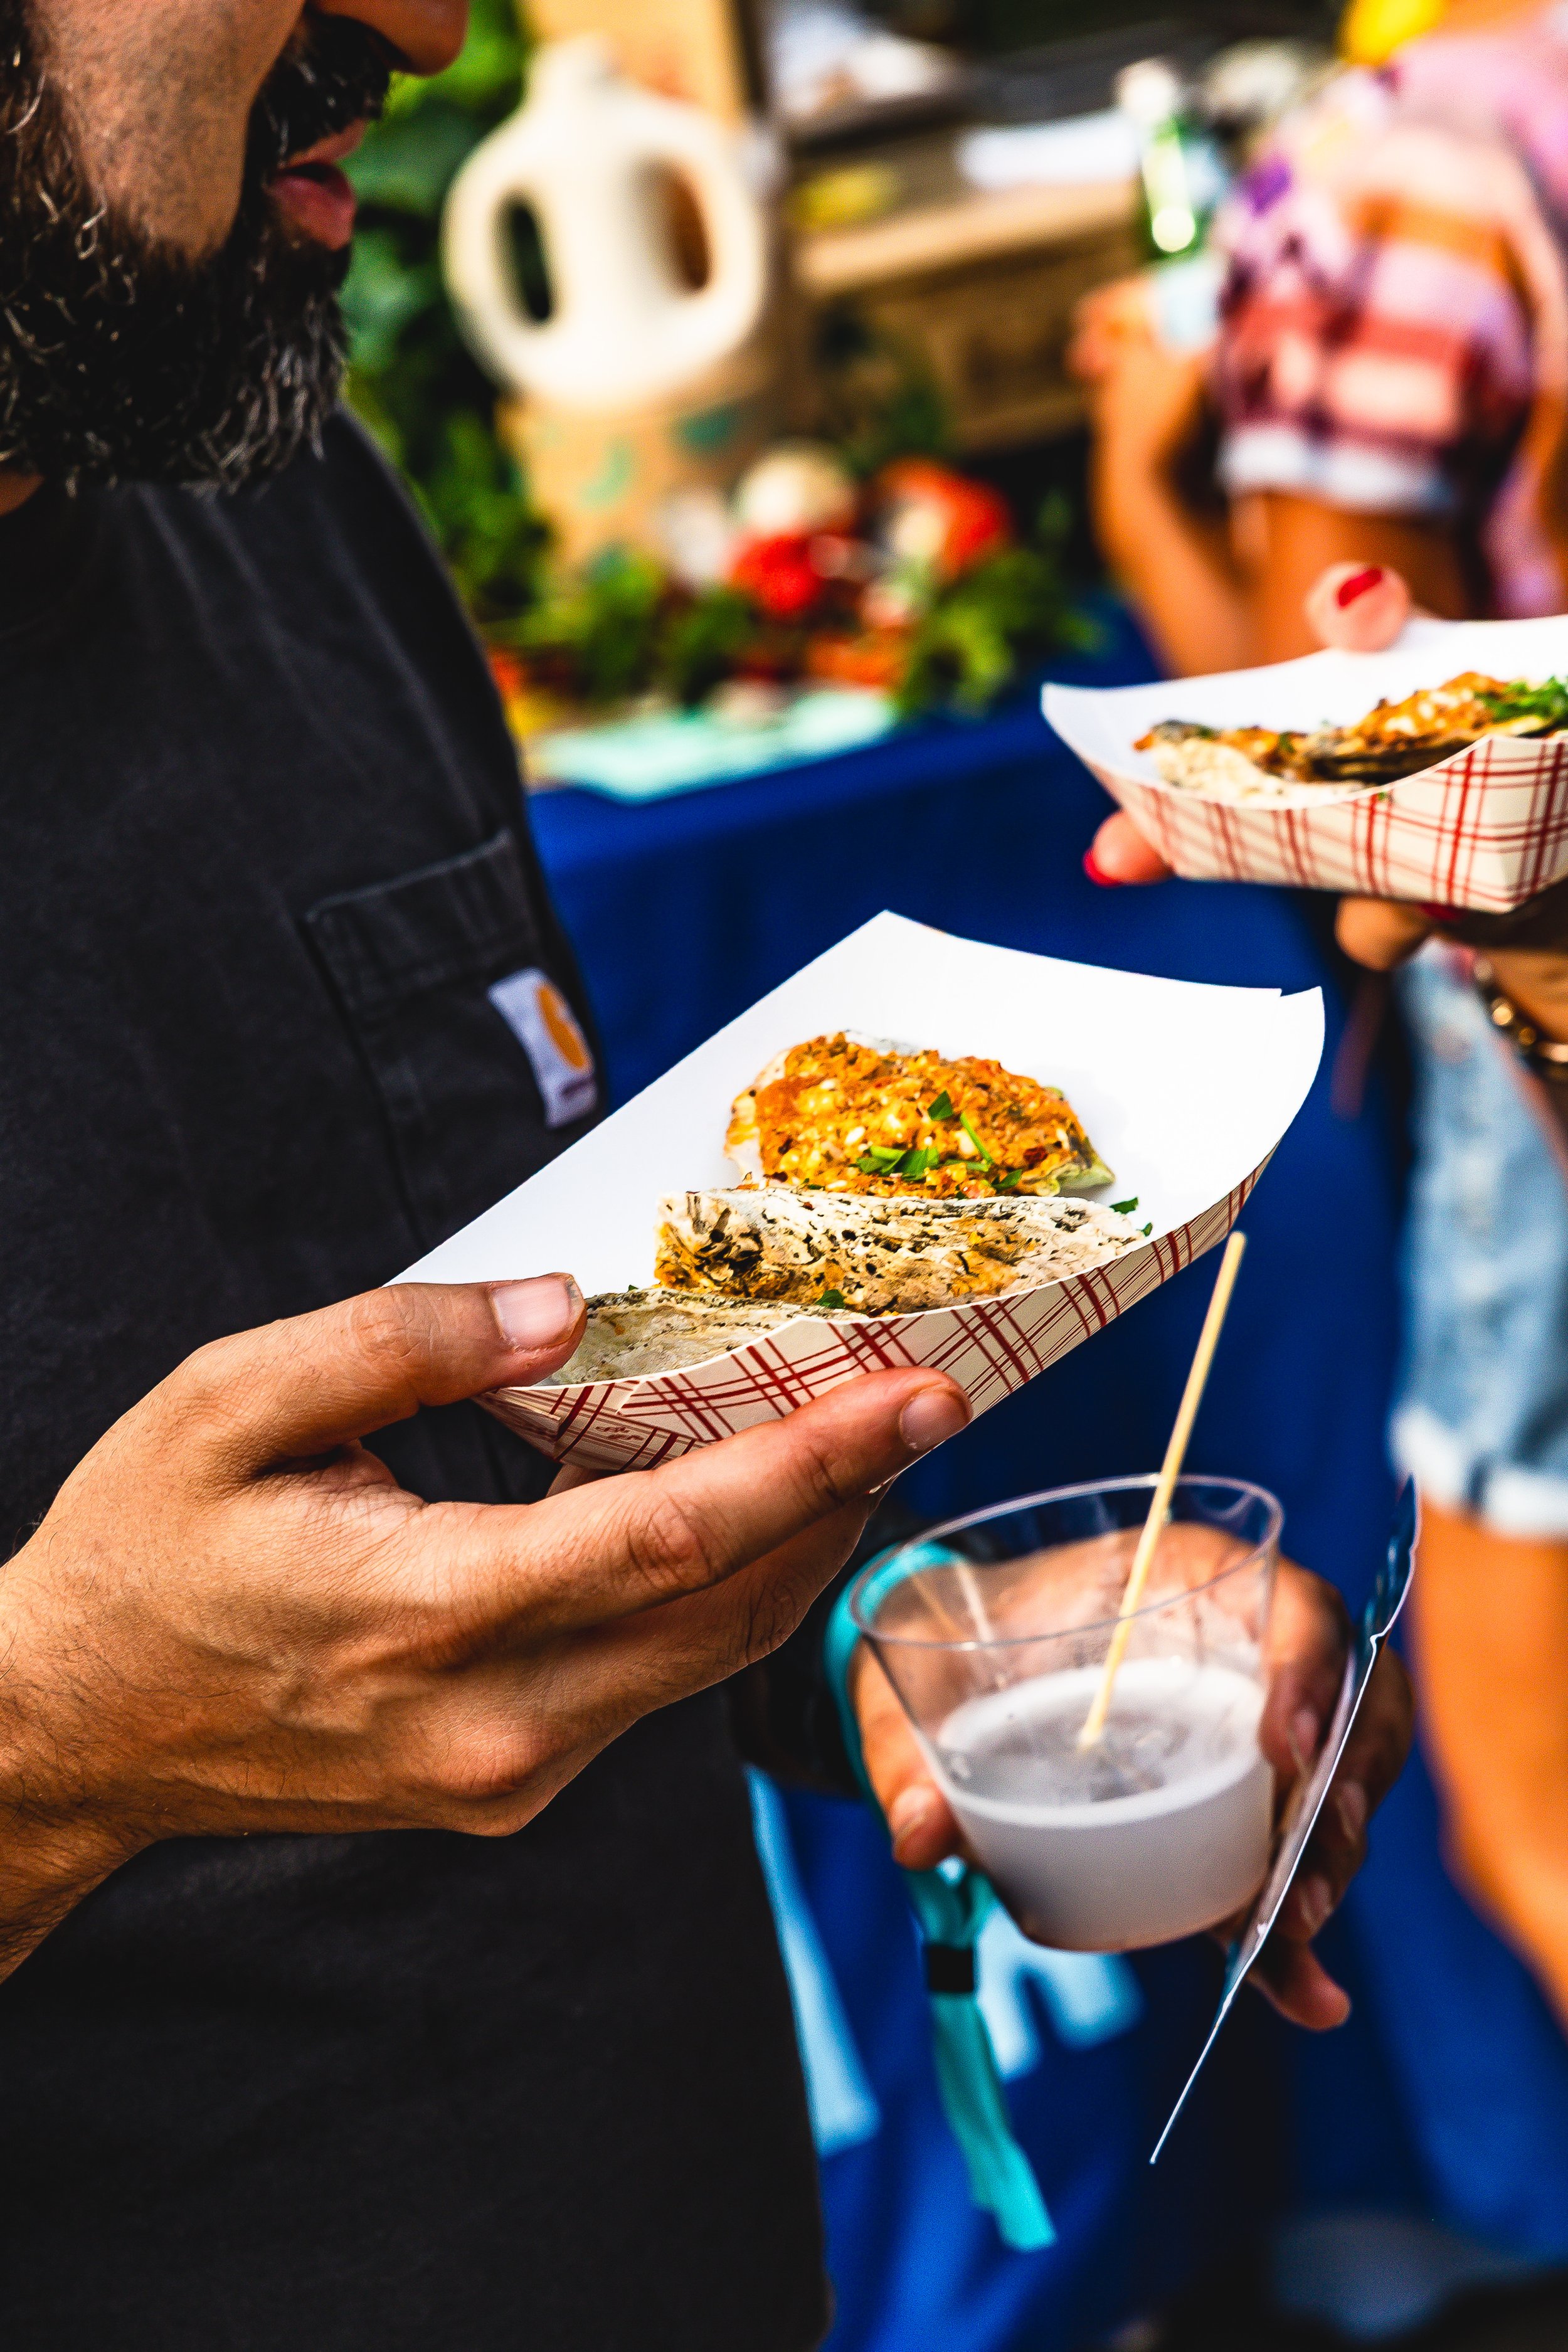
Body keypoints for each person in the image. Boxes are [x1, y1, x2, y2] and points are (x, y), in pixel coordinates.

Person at [0, 6, 1411, 2345]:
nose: (435, 31)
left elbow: (489, 1459)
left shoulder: (273, 494)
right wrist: (46, 1749)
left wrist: (872, 1640)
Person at [1070, 0, 1568, 2032]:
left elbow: (1360, 774)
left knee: (1529, 1789)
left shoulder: (1400, 164)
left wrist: (1140, 501)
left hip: (1523, 981)